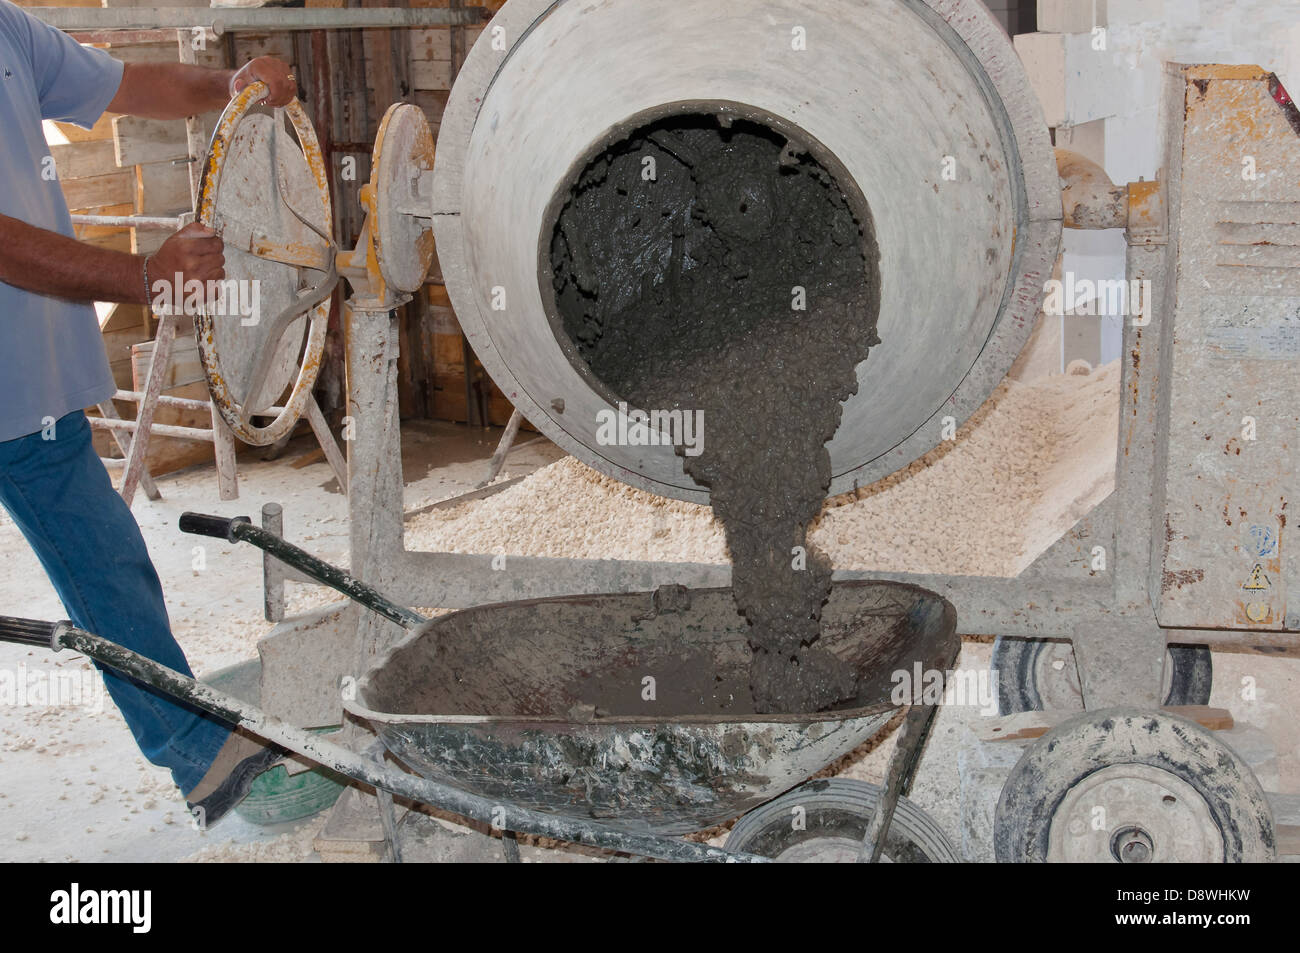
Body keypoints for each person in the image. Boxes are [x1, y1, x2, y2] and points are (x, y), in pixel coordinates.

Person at [0, 0, 298, 827]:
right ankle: (202, 756)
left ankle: (203, 759)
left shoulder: (9, 31)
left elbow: (131, 84)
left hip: (25, 381)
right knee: (103, 561)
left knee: (107, 562)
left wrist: (229, 86)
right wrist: (142, 278)